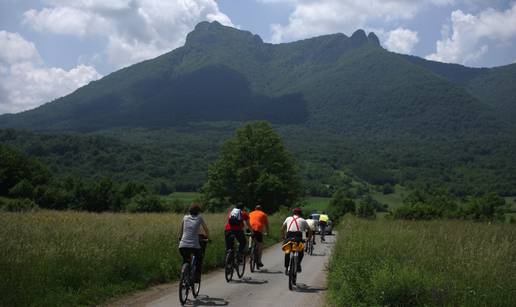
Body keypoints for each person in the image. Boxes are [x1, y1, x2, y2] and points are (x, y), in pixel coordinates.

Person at [178, 203, 210, 282]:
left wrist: (180, 237)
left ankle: (184, 276)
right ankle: (196, 277)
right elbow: (206, 230)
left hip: (182, 245)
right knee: (199, 259)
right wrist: (208, 238)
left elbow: (181, 232)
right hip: (194, 246)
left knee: (185, 259)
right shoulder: (199, 218)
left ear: (190, 211)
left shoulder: (185, 217)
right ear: (198, 212)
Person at [281, 207, 311, 275]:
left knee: (287, 252)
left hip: (289, 237)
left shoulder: (288, 218)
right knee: (301, 252)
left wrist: (283, 237)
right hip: (298, 238)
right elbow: (309, 230)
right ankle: (298, 265)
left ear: (293, 213)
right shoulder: (303, 220)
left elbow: (282, 229)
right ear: (300, 214)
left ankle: (286, 268)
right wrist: (308, 239)